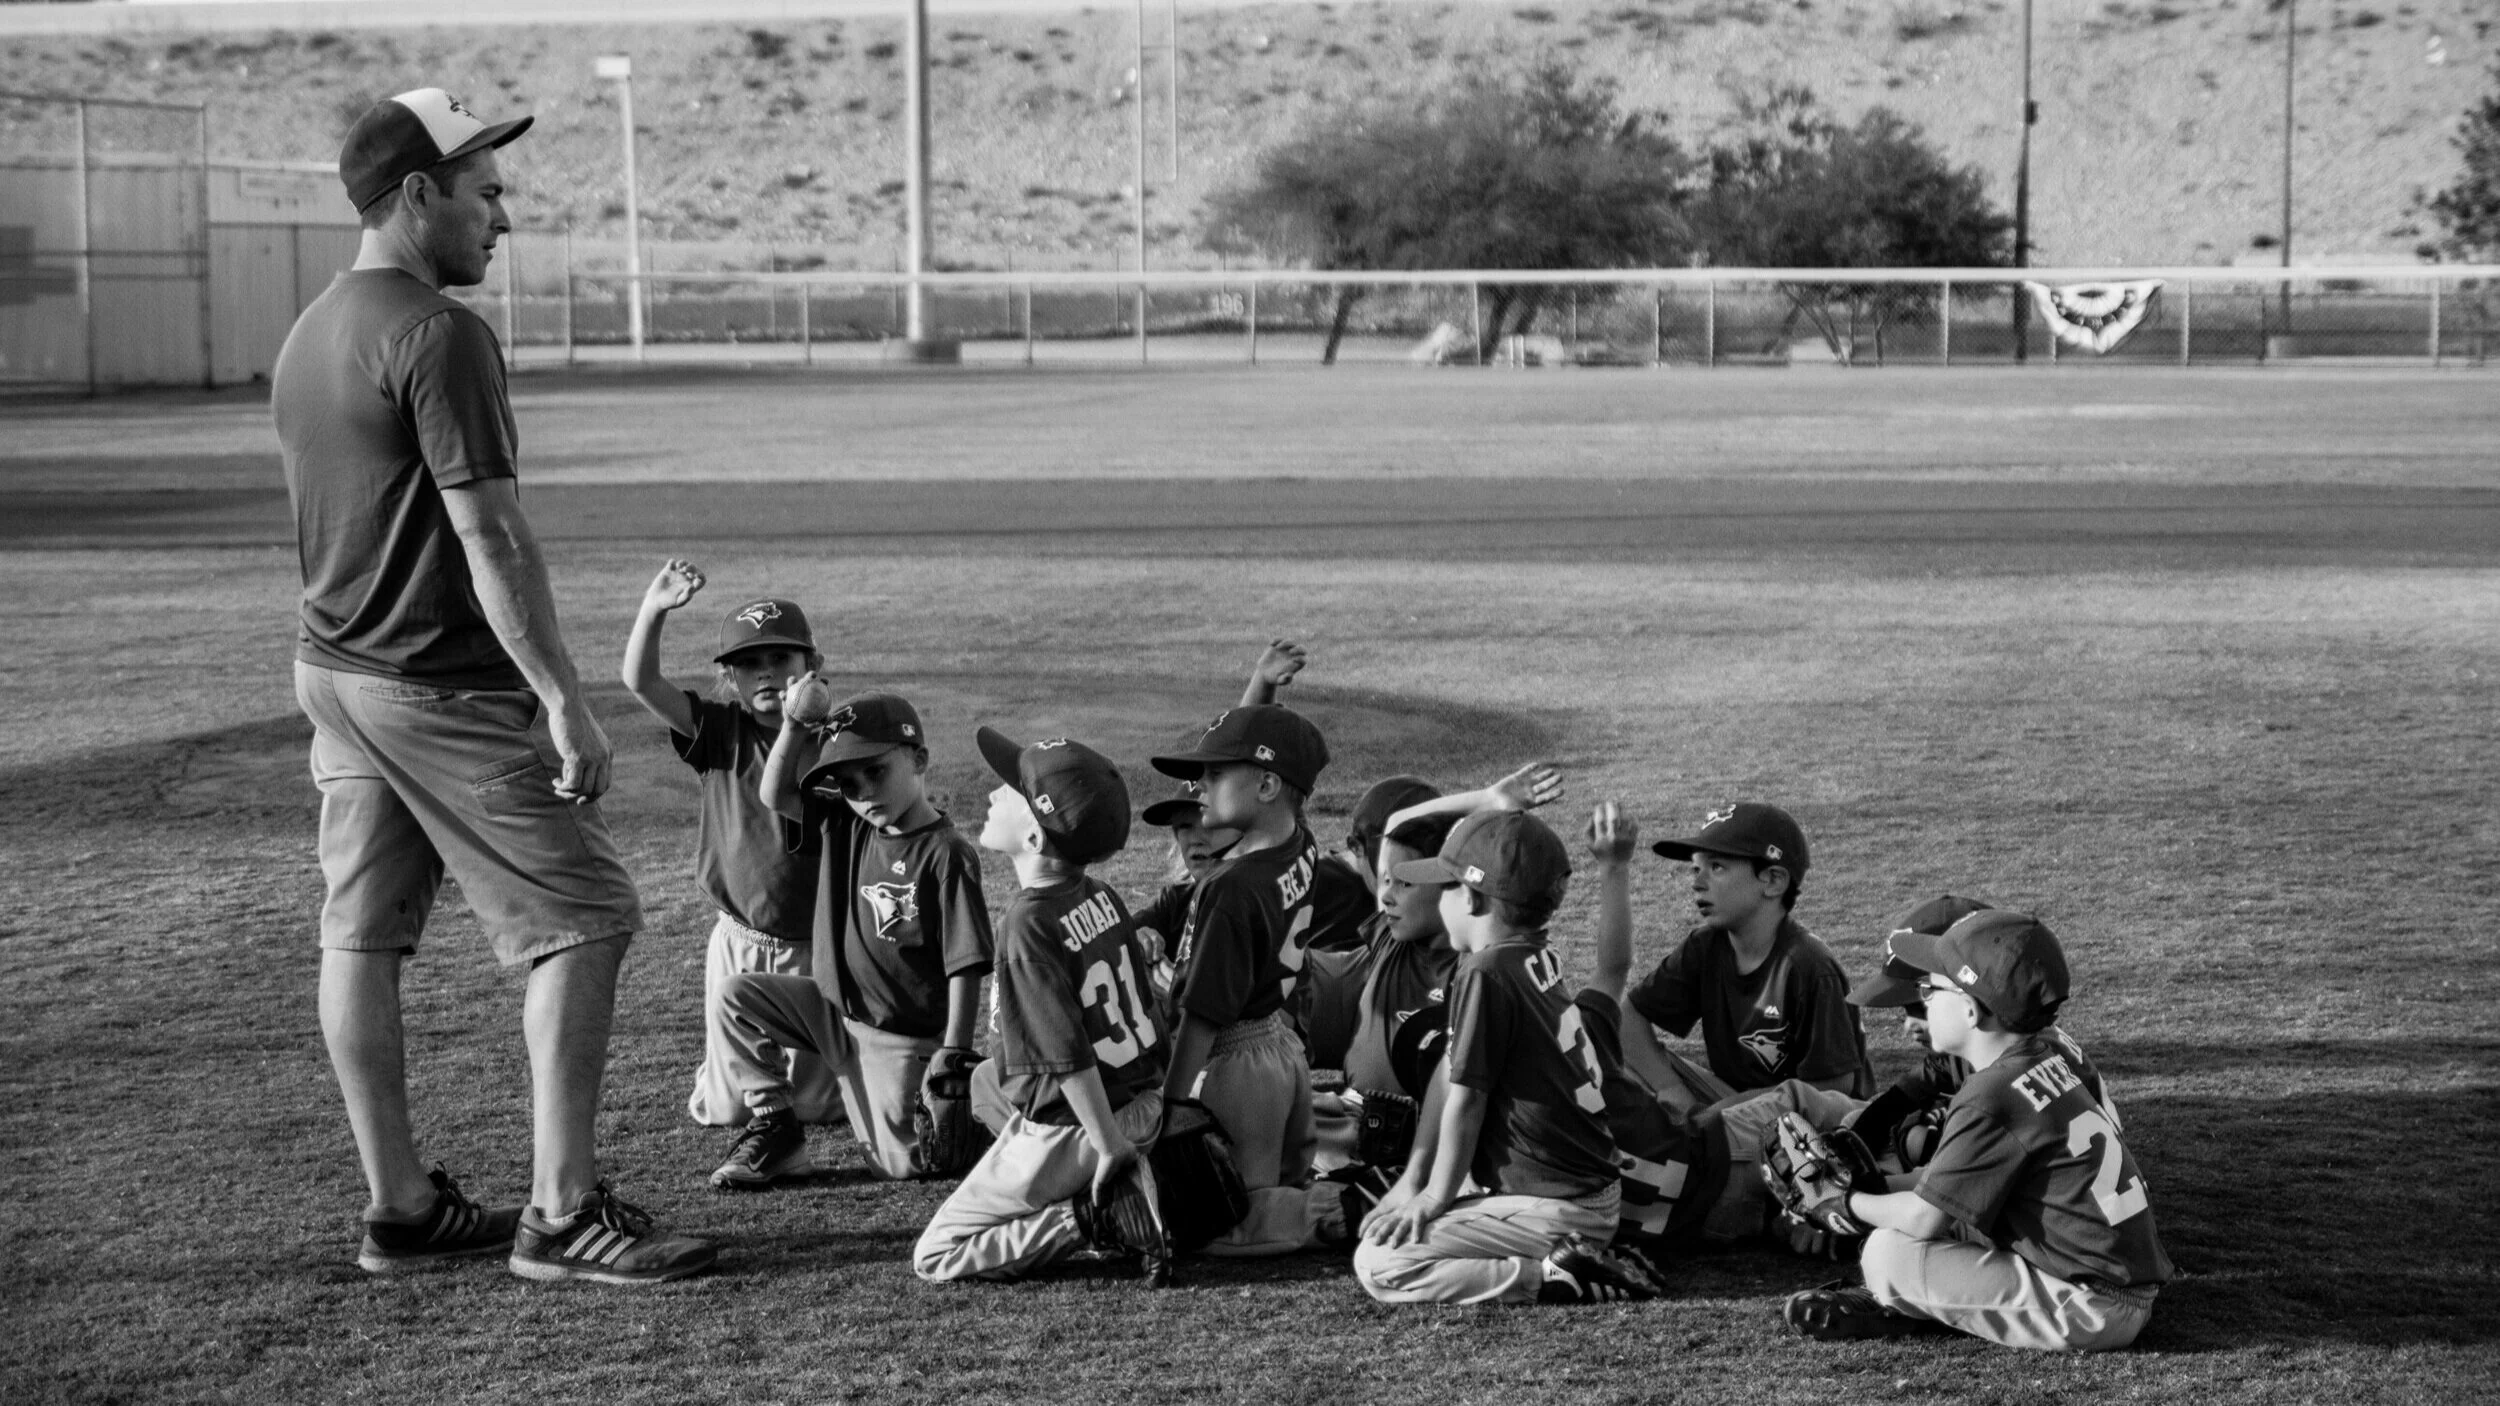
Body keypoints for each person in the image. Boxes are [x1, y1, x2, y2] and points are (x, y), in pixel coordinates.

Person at [273, 87, 711, 1284]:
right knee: (588, 915)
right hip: (435, 683)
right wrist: (563, 695)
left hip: (334, 669)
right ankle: (563, 1213)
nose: (503, 216)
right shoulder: (437, 333)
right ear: (417, 194)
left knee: (359, 934)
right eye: (487, 190)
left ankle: (401, 1206)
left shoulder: (311, 328)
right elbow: (493, 538)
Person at [1783, 909, 2173, 1350]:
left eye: (1931, 990)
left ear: (1969, 1010)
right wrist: (1879, 1184)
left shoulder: (1991, 1093)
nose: (1924, 1001)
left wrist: (1845, 1202)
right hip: (2104, 1276)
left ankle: (1912, 1307)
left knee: (1887, 1254)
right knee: (1918, 1224)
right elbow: (1952, 1186)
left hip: (2094, 1305)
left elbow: (1925, 1218)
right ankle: (1932, 1303)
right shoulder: (2036, 1060)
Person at [1352, 810, 1660, 1304]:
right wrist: (1415, 1180)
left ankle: (1555, 1276)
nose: (1438, 898)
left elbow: (1467, 1101)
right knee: (1402, 1220)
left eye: (1445, 887)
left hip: (1559, 1208)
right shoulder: (1533, 955)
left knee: (1379, 1262)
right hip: (1580, 1194)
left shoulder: (1485, 971)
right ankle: (1562, 1253)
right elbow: (1612, 971)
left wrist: (1434, 1196)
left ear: (1471, 897)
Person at [913, 729, 1172, 1283]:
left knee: (936, 1254)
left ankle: (1094, 1216)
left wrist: (1109, 1148)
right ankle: (1138, 1169)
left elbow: (1065, 1054)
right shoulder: (1101, 894)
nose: (992, 795)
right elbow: (1147, 1014)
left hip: (1084, 1127)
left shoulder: (1028, 923)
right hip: (1141, 1102)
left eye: (1010, 790)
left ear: (1033, 837)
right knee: (988, 1078)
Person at [729, 689, 994, 1182]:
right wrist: (791, 727)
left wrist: (952, 1053)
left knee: (906, 1166)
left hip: (900, 1038)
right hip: (832, 1014)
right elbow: (775, 794)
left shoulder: (946, 854)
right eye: (849, 782)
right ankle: (775, 1125)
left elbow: (968, 962)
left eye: (876, 772)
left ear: (918, 760)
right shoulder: (846, 823)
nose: (865, 792)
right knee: (736, 996)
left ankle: (997, 1122)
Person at [618, 564, 841, 1130]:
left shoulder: (840, 742)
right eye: (749, 664)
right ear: (732, 680)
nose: (766, 674)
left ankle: (841, 1063)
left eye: (780, 660)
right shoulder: (720, 730)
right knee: (726, 1111)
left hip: (815, 945)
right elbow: (641, 682)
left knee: (816, 1108)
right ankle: (721, 1071)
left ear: (811, 668)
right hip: (739, 938)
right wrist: (653, 610)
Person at [1147, 704, 1335, 1255]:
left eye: (1215, 774)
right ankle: (1344, 1202)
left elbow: (1203, 1017)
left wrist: (1173, 1104)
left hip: (1240, 1066)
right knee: (1280, 1188)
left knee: (1225, 1223)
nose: (1199, 785)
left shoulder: (1229, 887)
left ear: (1270, 784)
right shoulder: (1299, 841)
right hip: (1284, 1052)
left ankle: (1361, 1206)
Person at [1621, 802, 1874, 1101]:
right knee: (1602, 1050)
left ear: (1773, 881)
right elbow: (1627, 1016)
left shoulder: (1809, 966)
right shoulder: (1705, 946)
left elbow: (1833, 1089)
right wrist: (1670, 1089)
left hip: (1812, 1129)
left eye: (1717, 867)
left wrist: (1727, 1113)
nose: (1697, 883)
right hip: (1734, 1107)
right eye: (1696, 868)